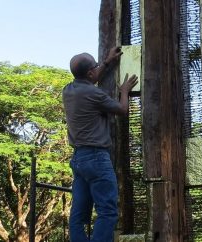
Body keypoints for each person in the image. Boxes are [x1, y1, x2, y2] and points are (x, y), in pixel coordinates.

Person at [62, 47, 138, 242]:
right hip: (96, 158)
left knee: (78, 215)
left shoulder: (68, 91)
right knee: (107, 211)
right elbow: (121, 109)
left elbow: (91, 77)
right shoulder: (94, 94)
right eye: (95, 66)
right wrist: (123, 91)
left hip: (79, 160)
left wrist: (105, 62)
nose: (97, 69)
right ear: (89, 73)